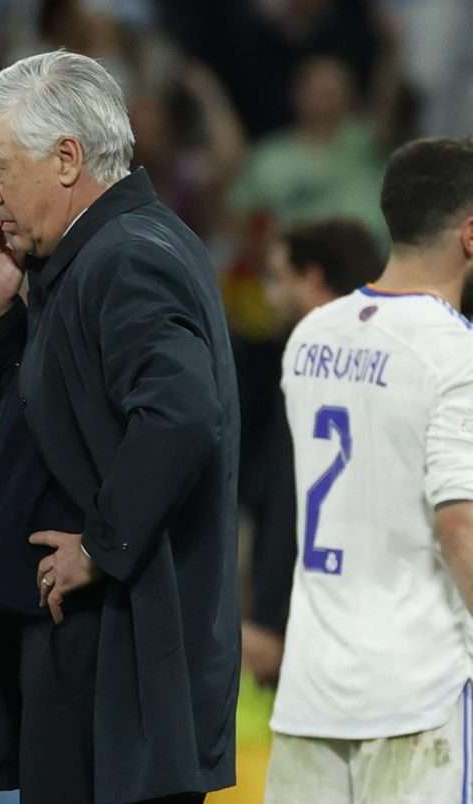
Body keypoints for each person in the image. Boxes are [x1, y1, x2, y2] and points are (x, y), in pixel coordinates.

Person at [0, 50, 240, 804]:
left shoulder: (127, 257)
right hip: (94, 658)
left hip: (119, 661)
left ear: (67, 158)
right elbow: (64, 435)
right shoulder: (95, 256)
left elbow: (181, 414)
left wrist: (103, 548)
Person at [265, 138, 473, 802]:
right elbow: (460, 527)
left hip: (310, 691)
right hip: (417, 692)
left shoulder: (310, 337)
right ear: (470, 235)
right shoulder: (453, 352)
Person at [243, 218, 383, 686]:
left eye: (277, 278)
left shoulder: (307, 370)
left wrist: (271, 620)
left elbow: (291, 499)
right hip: (365, 628)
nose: (269, 295)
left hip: (311, 634)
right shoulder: (387, 362)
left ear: (313, 277)